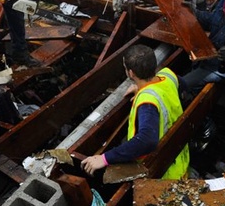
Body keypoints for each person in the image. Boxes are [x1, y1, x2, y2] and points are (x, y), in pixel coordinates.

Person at [81, 44, 189, 180]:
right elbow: (182, 85)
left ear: (131, 73)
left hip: (165, 173)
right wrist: (141, 87)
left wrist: (105, 158)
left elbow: (147, 141)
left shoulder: (147, 102)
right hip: (179, 154)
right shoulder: (167, 75)